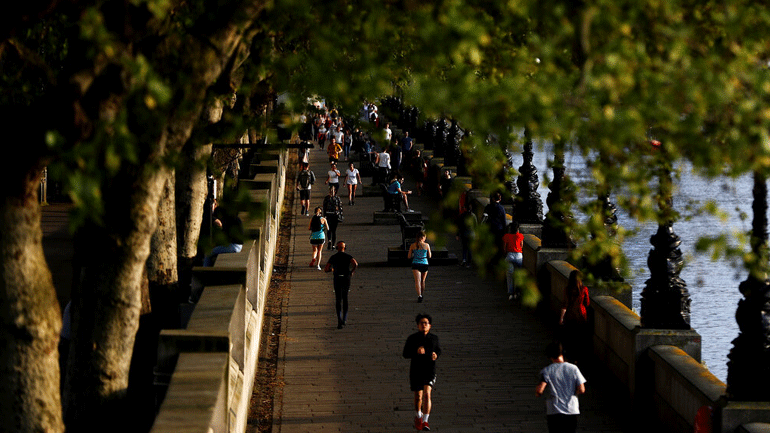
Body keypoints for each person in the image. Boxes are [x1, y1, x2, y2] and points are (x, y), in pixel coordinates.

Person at [535, 341, 587, 433]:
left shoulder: (547, 370)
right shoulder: (573, 368)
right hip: (571, 409)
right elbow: (582, 389)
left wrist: (538, 393)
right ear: (562, 353)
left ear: (549, 356)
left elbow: (540, 390)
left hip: (554, 411)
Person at [403, 313, 441, 432]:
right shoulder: (412, 338)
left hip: (429, 369)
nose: (424, 325)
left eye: (426, 323)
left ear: (430, 326)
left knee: (427, 394)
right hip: (416, 369)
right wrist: (416, 351)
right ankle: (418, 415)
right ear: (418, 325)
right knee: (418, 396)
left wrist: (436, 355)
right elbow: (405, 354)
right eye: (421, 323)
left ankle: (425, 420)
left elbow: (438, 350)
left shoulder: (434, 338)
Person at [324, 241, 358, 329]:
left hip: (337, 278)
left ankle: (339, 319)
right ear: (344, 248)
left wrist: (332, 270)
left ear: (337, 248)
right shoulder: (348, 256)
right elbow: (355, 263)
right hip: (346, 278)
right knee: (345, 297)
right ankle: (345, 319)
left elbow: (326, 269)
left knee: (338, 299)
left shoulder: (333, 257)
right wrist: (352, 272)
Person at [559, 270, 590, 364]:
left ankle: (570, 357)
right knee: (579, 338)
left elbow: (565, 304)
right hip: (581, 316)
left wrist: (561, 318)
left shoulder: (567, 289)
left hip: (570, 315)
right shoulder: (584, 289)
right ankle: (578, 358)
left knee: (570, 337)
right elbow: (587, 303)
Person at [203, 200, 244, 267]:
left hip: (233, 246)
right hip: (238, 245)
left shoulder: (220, 213)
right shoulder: (233, 217)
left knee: (209, 253)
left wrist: (214, 219)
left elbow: (216, 222)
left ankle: (204, 271)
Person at [502, 221, 524, 300]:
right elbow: (521, 246)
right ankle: (518, 292)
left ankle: (510, 292)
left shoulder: (506, 236)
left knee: (509, 274)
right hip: (518, 256)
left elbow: (504, 248)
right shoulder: (520, 236)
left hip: (510, 255)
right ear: (517, 229)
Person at [482, 191, 507, 263]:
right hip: (499, 230)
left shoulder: (488, 207)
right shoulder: (501, 208)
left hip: (489, 229)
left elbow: (484, 218)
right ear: (500, 199)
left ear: (493, 198)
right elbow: (504, 220)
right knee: (498, 246)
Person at [408, 231, 432, 302]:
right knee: (422, 281)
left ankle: (419, 295)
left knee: (417, 281)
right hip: (424, 263)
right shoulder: (427, 245)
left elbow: (409, 256)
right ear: (422, 237)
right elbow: (430, 256)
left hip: (415, 263)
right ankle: (422, 293)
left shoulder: (412, 245)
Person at [455, 203, 477, 267]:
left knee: (464, 247)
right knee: (470, 248)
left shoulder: (462, 215)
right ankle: (469, 262)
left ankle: (464, 260)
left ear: (465, 208)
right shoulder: (473, 216)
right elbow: (476, 225)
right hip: (471, 234)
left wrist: (457, 234)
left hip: (464, 233)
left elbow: (460, 226)